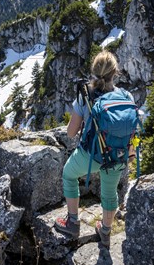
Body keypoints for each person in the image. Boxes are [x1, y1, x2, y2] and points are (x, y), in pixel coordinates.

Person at [54, 50, 135, 248]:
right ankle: (105, 231)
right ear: (114, 73)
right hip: (117, 154)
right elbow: (132, 129)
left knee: (68, 175)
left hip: (91, 155)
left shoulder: (85, 96)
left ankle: (72, 222)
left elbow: (71, 133)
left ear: (93, 71)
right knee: (110, 193)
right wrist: (130, 152)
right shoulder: (126, 96)